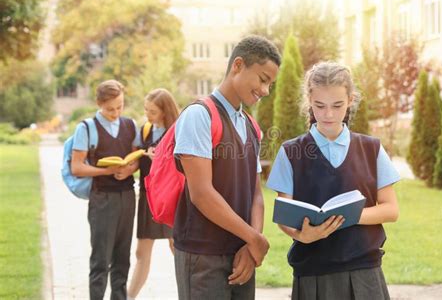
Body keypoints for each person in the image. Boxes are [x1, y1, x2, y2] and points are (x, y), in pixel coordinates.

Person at [267, 62, 400, 300]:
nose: (328, 114)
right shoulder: (290, 153)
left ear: (350, 100)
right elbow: (284, 215)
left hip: (364, 272)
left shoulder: (372, 149)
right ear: (310, 101)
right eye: (320, 106)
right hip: (313, 273)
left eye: (337, 105)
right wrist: (301, 236)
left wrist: (347, 216)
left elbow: (391, 209)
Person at [172, 35, 281, 299]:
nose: (266, 90)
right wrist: (254, 239)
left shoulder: (250, 126)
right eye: (263, 79)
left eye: (270, 84)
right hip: (203, 255)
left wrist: (250, 243)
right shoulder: (199, 115)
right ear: (238, 65)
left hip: (242, 254)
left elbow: (256, 194)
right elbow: (201, 193)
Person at [71, 80, 140, 300]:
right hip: (102, 199)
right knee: (101, 260)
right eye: (110, 108)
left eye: (120, 106)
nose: (116, 112)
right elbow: (77, 166)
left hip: (128, 197)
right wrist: (107, 171)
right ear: (99, 103)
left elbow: (136, 158)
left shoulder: (130, 125)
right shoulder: (86, 128)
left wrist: (129, 169)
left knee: (122, 259)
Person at [127, 88, 179, 299]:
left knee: (177, 249)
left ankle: (189, 292)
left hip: (171, 197)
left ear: (165, 111)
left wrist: (160, 158)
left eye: (153, 112)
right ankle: (129, 297)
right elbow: (136, 158)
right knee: (141, 252)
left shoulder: (178, 130)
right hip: (148, 197)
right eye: (146, 110)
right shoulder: (146, 131)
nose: (148, 115)